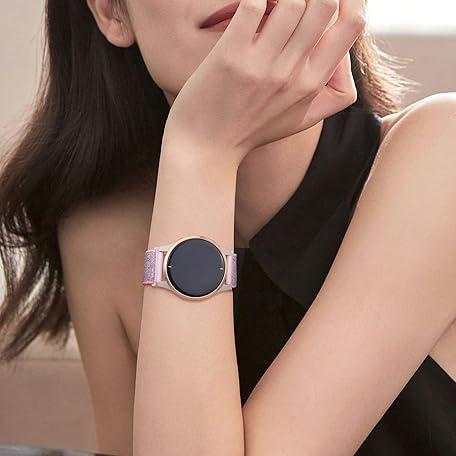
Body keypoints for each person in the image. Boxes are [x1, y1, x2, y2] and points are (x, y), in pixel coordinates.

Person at [0, 0, 455, 455]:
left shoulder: (442, 152)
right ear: (112, 12)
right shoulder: (105, 238)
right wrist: (201, 155)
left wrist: (201, 151)